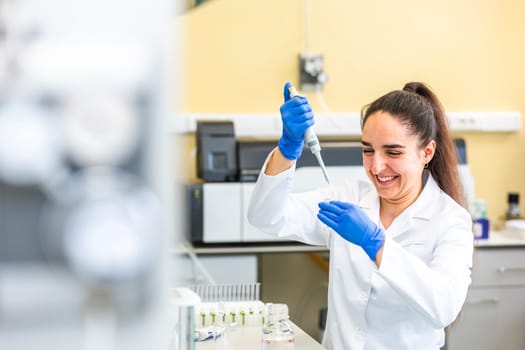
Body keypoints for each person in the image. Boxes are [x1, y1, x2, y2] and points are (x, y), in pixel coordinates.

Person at [247, 82, 474, 350]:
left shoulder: (450, 220)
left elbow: (443, 307)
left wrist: (377, 244)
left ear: (427, 152)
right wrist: (287, 149)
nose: (377, 166)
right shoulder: (350, 198)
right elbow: (266, 217)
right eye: (368, 150)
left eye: (393, 152)